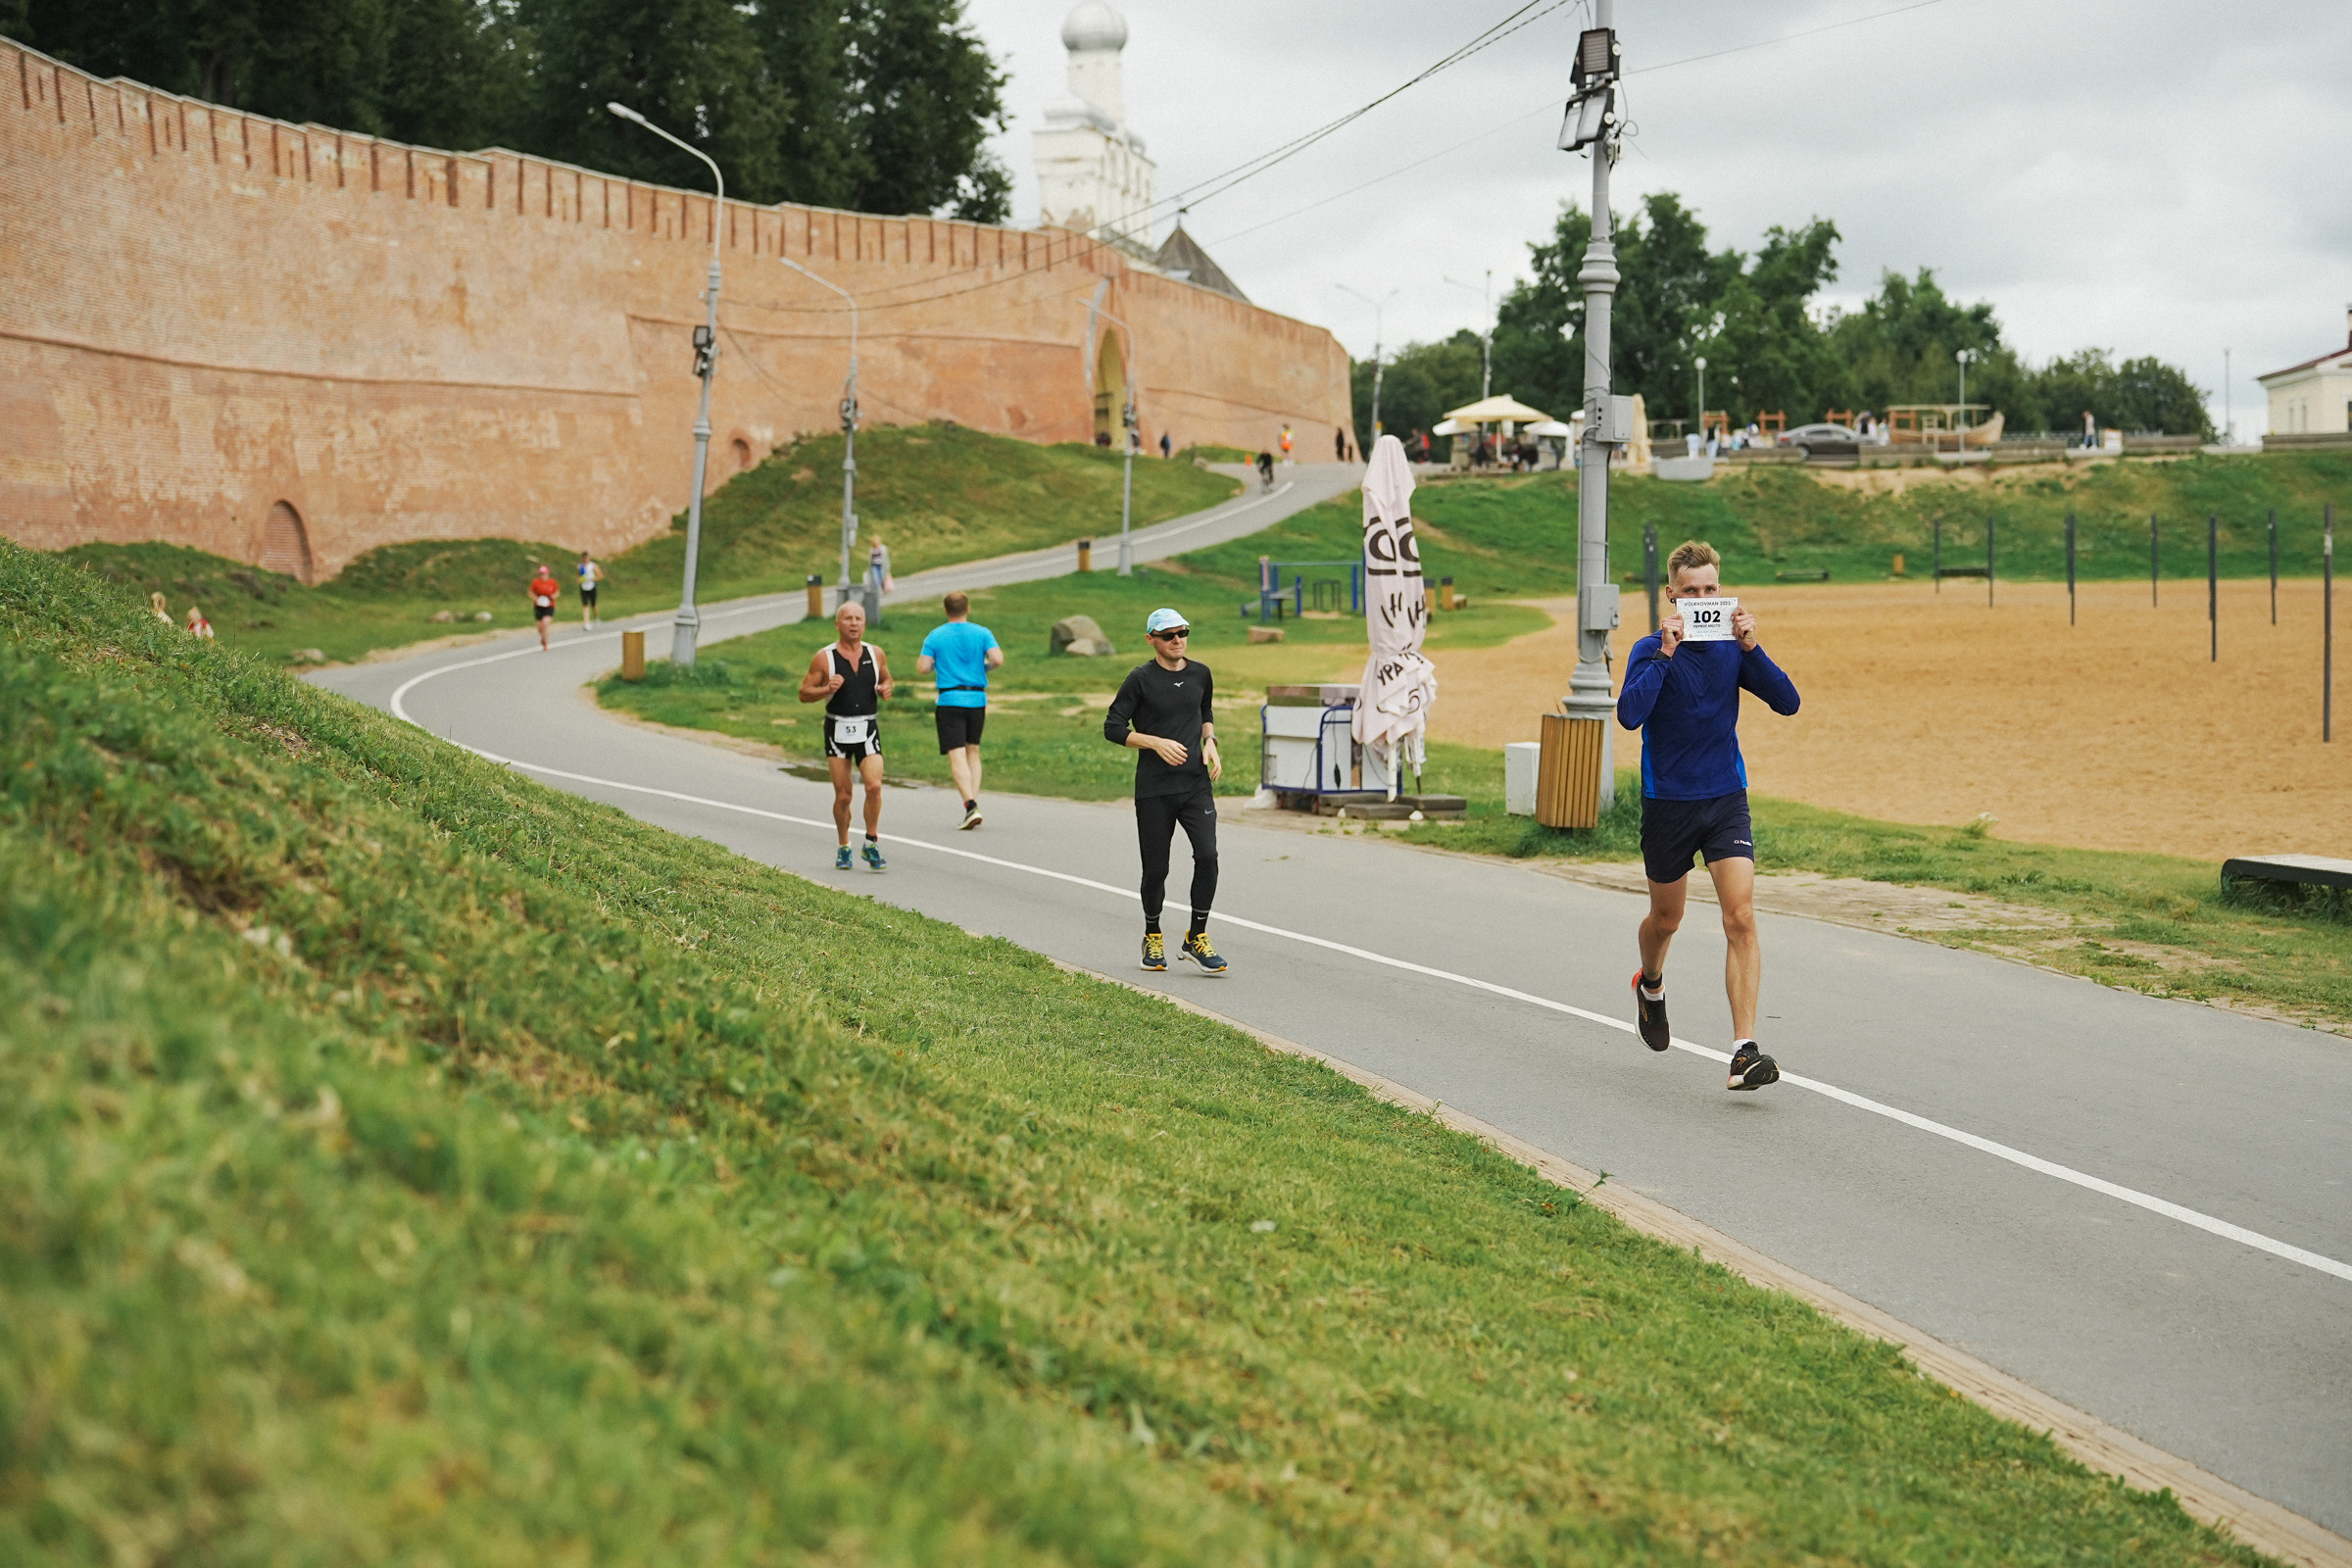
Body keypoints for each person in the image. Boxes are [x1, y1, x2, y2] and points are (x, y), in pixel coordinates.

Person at [1615, 540, 1801, 1091]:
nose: (1702, 599)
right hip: (1667, 802)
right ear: (1670, 596)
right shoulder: (1650, 649)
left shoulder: (1731, 649)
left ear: (1722, 592)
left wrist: (1753, 648)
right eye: (1691, 592)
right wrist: (1666, 654)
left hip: (1725, 798)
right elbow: (1629, 715)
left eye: (1711, 590)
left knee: (1739, 917)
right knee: (1666, 920)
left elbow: (1788, 702)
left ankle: (1745, 1051)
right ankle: (1650, 984)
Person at [1103, 608, 1226, 975]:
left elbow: (1205, 712)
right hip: (1155, 789)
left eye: (1183, 632)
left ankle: (1196, 937)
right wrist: (1154, 742)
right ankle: (1152, 934)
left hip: (1195, 786)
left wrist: (1211, 742)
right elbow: (1112, 727)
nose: (1178, 640)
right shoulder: (1140, 679)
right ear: (1151, 639)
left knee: (1208, 856)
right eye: (1169, 635)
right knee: (1156, 869)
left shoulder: (1201, 673)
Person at [799, 600, 893, 871]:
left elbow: (886, 678)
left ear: (864, 624)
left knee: (874, 786)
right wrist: (826, 688)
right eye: (848, 619)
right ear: (837, 624)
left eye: (858, 619)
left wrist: (885, 688)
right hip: (837, 729)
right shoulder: (824, 657)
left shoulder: (876, 654)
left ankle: (871, 842)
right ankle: (844, 846)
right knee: (844, 795)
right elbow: (804, 693)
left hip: (867, 727)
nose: (853, 623)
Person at [916, 590, 1002, 830]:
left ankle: (970, 805)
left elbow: (922, 667)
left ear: (945, 610)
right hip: (977, 698)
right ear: (968, 608)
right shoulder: (982, 632)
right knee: (973, 751)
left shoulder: (936, 635)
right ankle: (974, 805)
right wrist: (983, 668)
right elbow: (998, 659)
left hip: (950, 698)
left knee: (956, 754)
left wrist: (938, 663)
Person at [528, 564, 562, 651]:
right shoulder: (536, 582)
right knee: (540, 627)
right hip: (539, 606)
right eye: (541, 574)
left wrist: (553, 596)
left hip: (549, 605)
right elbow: (530, 592)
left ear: (547, 574)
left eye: (544, 573)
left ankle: (545, 643)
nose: (543, 575)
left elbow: (557, 592)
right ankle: (543, 637)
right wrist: (536, 599)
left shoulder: (552, 582)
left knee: (545, 623)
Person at [576, 551, 604, 629]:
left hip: (592, 586)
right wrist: (580, 580)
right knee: (585, 605)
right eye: (584, 558)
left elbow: (600, 575)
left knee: (593, 604)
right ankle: (586, 622)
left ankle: (596, 617)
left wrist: (592, 578)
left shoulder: (593, 566)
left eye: (587, 558)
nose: (585, 559)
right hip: (584, 587)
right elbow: (578, 577)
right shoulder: (580, 567)